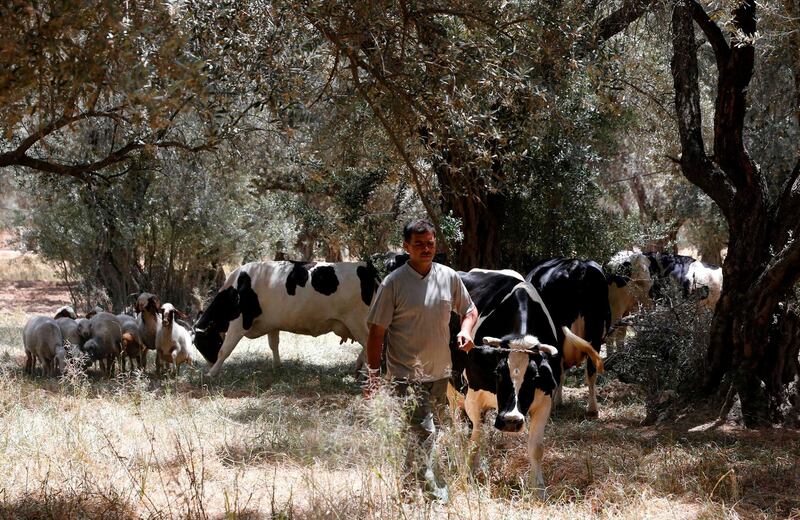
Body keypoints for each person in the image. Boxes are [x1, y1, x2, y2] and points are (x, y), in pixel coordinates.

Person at [365, 219, 478, 502]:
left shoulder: (448, 276)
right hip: (405, 377)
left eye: (430, 243)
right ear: (406, 247)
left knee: (426, 436)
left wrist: (465, 331)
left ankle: (406, 489)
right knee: (424, 434)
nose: (426, 249)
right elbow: (377, 331)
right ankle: (437, 498)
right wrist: (373, 374)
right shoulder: (393, 283)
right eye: (419, 245)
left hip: (441, 374)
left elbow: (470, 310)